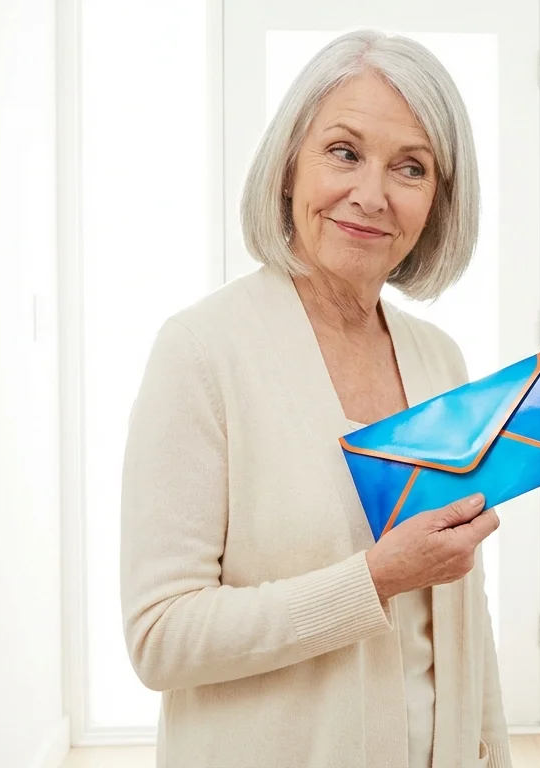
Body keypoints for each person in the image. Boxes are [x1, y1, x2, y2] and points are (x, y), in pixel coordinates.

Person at [119, 29, 512, 768]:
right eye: (344, 151)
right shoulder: (203, 354)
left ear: (438, 202)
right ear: (289, 166)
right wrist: (376, 579)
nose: (371, 193)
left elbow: (463, 618)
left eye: (411, 167)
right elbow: (159, 638)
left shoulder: (440, 362)